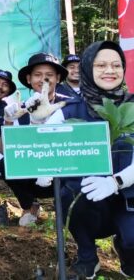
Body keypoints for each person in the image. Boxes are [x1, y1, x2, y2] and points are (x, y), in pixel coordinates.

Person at [57, 41, 134, 278]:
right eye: (101, 65)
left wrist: (116, 181)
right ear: (88, 68)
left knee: (133, 241)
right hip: (88, 199)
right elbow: (42, 143)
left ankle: (126, 251)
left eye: (115, 65)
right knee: (70, 196)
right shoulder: (69, 109)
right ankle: (88, 256)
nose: (109, 70)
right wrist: (38, 120)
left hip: (128, 196)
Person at [0, 53, 70, 226]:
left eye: (49, 75)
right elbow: (4, 150)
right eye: (38, 75)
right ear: (29, 79)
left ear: (58, 78)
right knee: (5, 164)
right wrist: (8, 121)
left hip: (64, 171)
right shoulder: (20, 110)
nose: (43, 79)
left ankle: (68, 208)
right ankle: (30, 206)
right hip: (32, 173)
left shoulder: (70, 106)